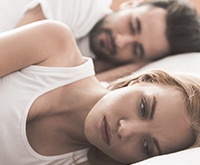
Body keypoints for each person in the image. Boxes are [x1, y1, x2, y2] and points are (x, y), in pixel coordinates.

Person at [1, 20, 200, 165]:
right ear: (141, 80)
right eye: (143, 107)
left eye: (146, 147)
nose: (125, 130)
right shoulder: (54, 44)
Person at [14, 0, 200, 78]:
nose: (120, 41)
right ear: (130, 4)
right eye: (132, 25)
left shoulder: (95, 70)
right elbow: (12, 66)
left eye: (136, 49)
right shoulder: (84, 4)